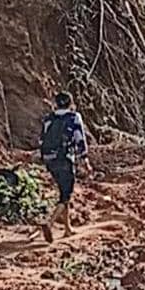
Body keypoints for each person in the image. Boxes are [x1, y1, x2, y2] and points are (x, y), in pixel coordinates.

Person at [38, 91, 89, 243]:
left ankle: (68, 229)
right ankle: (50, 223)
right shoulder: (74, 117)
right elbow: (80, 138)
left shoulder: (49, 118)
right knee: (66, 194)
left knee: (63, 191)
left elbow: (41, 139)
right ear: (71, 103)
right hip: (64, 159)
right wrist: (84, 159)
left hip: (49, 159)